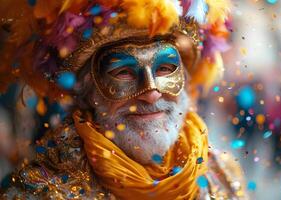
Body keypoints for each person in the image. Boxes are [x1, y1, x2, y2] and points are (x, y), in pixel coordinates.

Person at [0, 0, 246, 199]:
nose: (151, 92)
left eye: (165, 68)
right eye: (124, 72)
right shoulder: (39, 191)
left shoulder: (222, 174)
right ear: (88, 92)